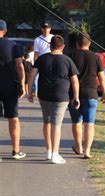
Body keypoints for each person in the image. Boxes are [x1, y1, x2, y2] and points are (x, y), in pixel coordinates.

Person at [27, 35, 80, 164]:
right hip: (61, 95)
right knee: (57, 124)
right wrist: (76, 97)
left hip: (44, 95)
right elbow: (74, 80)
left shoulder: (42, 59)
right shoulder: (67, 60)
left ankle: (49, 151)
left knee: (47, 121)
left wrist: (30, 91)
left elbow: (32, 74)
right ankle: (55, 154)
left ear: (50, 45)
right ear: (63, 46)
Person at [69, 33, 105, 159]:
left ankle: (78, 146)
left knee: (76, 122)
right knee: (89, 123)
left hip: (74, 95)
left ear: (76, 43)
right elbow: (102, 78)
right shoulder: (95, 57)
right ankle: (87, 151)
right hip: (91, 93)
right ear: (90, 43)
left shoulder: (71, 56)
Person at [0, 19, 26, 159]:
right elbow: (19, 66)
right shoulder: (13, 45)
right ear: (4, 31)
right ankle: (16, 151)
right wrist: (22, 83)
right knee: (13, 118)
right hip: (10, 85)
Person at [33, 22, 53, 97]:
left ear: (50, 29)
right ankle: (37, 91)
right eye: (44, 28)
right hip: (42, 61)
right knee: (39, 78)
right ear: (41, 29)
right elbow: (36, 53)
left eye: (47, 28)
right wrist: (35, 64)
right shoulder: (37, 40)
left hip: (52, 60)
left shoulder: (53, 38)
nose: (46, 30)